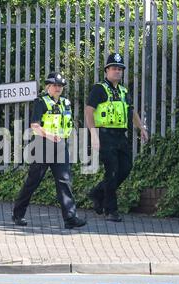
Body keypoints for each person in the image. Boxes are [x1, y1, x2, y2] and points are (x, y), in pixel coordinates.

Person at [12, 72, 87, 229]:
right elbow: (35, 126)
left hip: (60, 146)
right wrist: (49, 135)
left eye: (60, 85)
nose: (58, 88)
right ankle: (18, 214)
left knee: (64, 181)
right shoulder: (41, 102)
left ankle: (70, 218)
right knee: (33, 181)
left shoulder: (65, 103)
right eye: (55, 85)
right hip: (43, 145)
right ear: (48, 87)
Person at [85, 53, 149, 222]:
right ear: (106, 70)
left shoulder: (123, 91)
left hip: (121, 136)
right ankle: (110, 210)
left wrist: (141, 127)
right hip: (105, 135)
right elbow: (89, 111)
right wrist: (93, 134)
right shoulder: (99, 89)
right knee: (112, 171)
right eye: (114, 68)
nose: (117, 71)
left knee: (126, 168)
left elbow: (131, 111)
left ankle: (98, 193)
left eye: (120, 69)